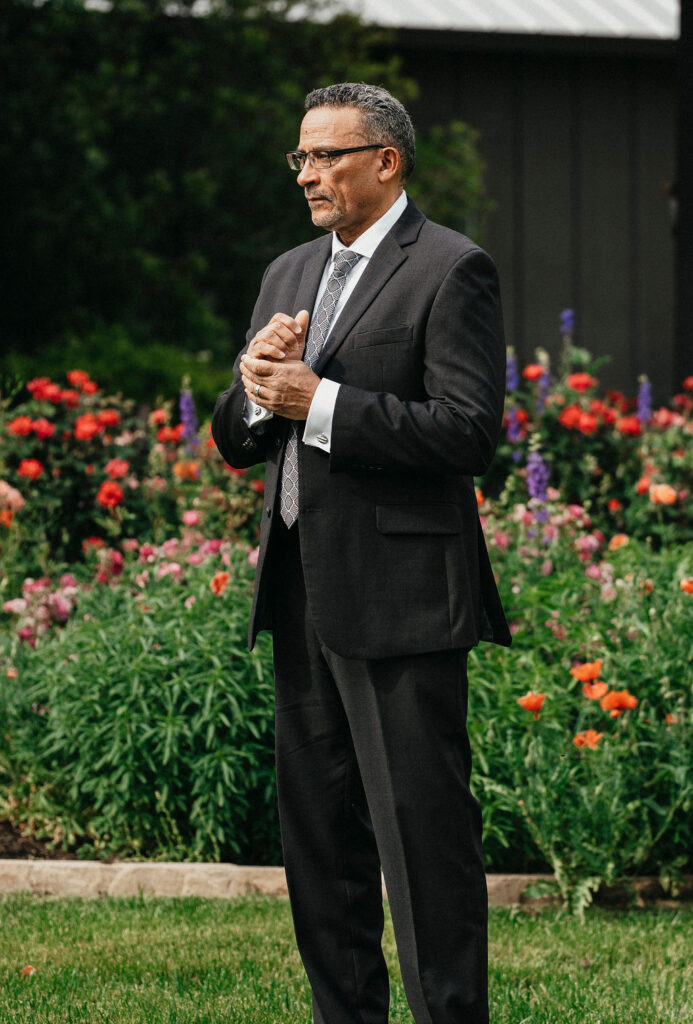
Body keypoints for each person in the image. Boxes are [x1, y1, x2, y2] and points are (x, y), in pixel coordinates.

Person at [212, 82, 510, 1024]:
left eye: (327, 156)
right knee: (320, 848)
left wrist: (320, 402)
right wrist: (258, 389)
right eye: (300, 157)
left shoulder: (451, 269)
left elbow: (468, 432)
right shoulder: (286, 272)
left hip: (406, 598)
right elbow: (236, 434)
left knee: (422, 843)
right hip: (302, 590)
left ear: (385, 160)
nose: (308, 174)